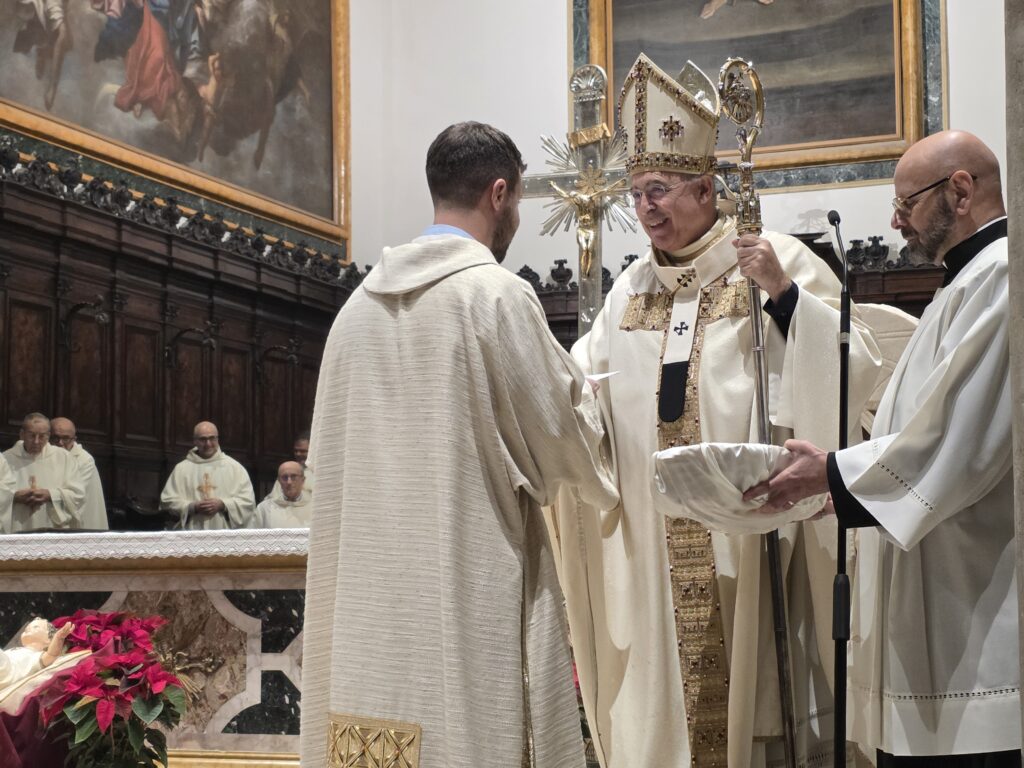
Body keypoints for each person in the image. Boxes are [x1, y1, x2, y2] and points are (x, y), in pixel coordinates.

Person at [547, 54, 884, 768]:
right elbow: (579, 393)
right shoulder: (628, 291)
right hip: (653, 546)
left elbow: (855, 369)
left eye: (661, 191)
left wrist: (784, 297)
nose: (647, 209)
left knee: (755, 697)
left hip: (753, 536)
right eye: (637, 194)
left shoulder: (771, 260)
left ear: (706, 188)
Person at [299, 121, 618, 768]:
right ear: (499, 193)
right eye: (518, 200)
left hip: (368, 610)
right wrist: (592, 401)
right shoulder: (495, 298)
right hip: (464, 593)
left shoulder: (353, 313)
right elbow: (563, 440)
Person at [745, 130, 1019, 767]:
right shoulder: (963, 283)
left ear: (960, 190)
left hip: (972, 612)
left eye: (906, 202)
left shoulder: (1004, 276)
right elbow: (916, 423)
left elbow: (959, 437)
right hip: (939, 596)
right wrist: (846, 489)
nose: (896, 220)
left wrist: (835, 476)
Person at [159, 421, 255, 530]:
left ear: (218, 439)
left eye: (212, 438)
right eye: (203, 439)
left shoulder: (235, 468)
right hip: (191, 533)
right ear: (195, 441)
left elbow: (248, 503)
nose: (208, 444)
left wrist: (223, 504)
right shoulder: (181, 469)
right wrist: (192, 507)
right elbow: (167, 502)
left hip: (223, 534)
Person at [2, 414, 85, 533]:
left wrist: (50, 495)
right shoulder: (6, 459)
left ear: (48, 436)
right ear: (22, 434)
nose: (36, 441)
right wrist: (14, 496)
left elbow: (78, 495)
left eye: (42, 436)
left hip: (52, 528)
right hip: (17, 527)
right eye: (31, 436)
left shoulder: (64, 458)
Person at [50, 418, 108, 531]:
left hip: (78, 518)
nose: (60, 443)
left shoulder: (84, 460)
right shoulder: (46, 455)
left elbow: (75, 494)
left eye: (65, 438)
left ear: (74, 439)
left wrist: (48, 494)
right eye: (55, 438)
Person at [253, 461, 310, 528]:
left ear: (303, 480)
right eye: (284, 477)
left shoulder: (313, 507)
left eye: (293, 476)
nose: (289, 482)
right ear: (279, 481)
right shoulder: (264, 509)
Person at [268, 432, 314, 500]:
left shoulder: (318, 473)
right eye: (296, 451)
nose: (298, 454)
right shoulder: (287, 470)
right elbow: (273, 498)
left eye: (303, 451)